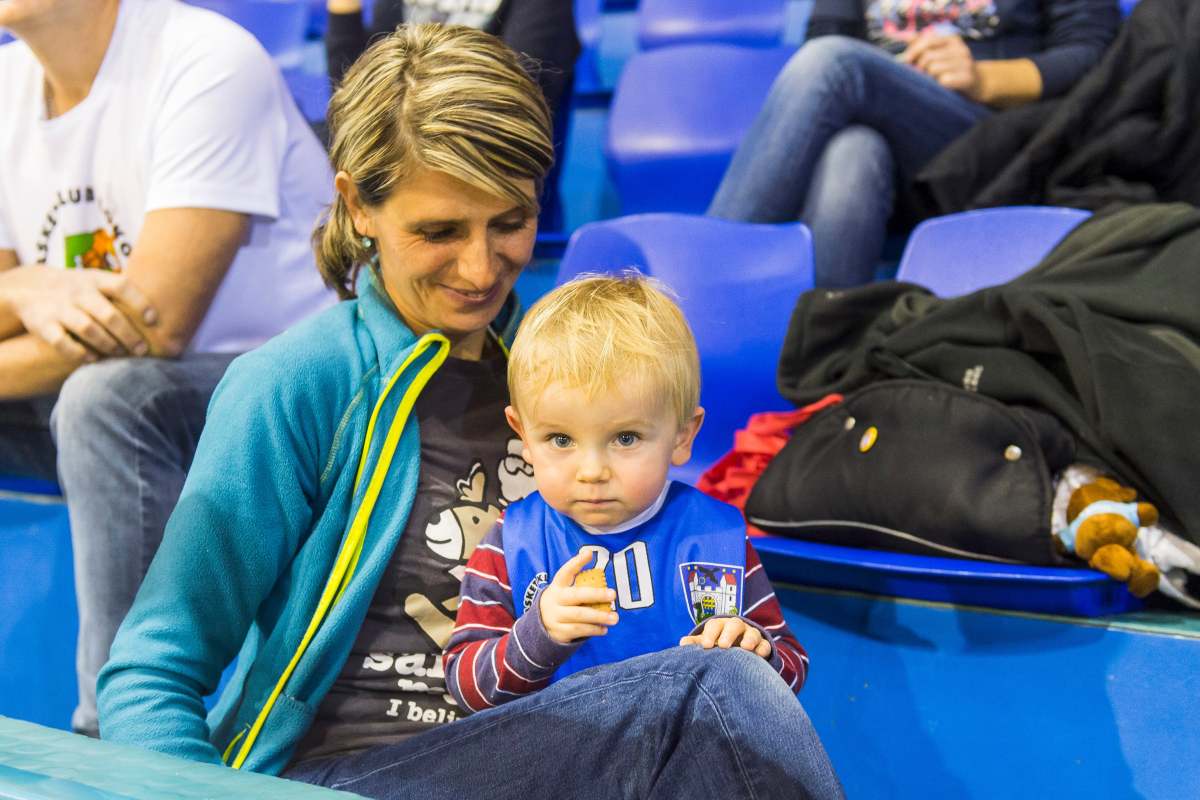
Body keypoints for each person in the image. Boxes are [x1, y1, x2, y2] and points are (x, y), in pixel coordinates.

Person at [97, 24, 845, 800]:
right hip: (346, 776)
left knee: (721, 687)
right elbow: (152, 672)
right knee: (711, 695)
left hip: (554, 753)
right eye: (439, 231)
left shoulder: (571, 369)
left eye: (510, 222)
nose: (481, 268)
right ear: (357, 206)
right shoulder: (294, 385)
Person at [0, 0, 333, 736]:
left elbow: (153, 323)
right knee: (100, 397)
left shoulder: (205, 58)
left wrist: (19, 291)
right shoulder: (4, 87)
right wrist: (23, 287)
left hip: (293, 398)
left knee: (108, 399)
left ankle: (121, 739)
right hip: (121, 389)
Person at [444, 273, 809, 711]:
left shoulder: (713, 537)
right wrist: (538, 635)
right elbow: (466, 685)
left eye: (625, 438)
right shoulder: (510, 544)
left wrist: (756, 650)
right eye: (561, 439)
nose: (592, 471)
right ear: (523, 435)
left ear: (682, 436)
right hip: (563, 742)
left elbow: (792, 666)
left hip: (686, 743)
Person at [707, 0, 1121, 288]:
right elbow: (826, 29)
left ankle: (705, 277)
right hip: (885, 138)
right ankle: (823, 350)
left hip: (993, 139)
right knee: (853, 151)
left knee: (832, 63)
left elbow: (1095, 56)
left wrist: (983, 79)